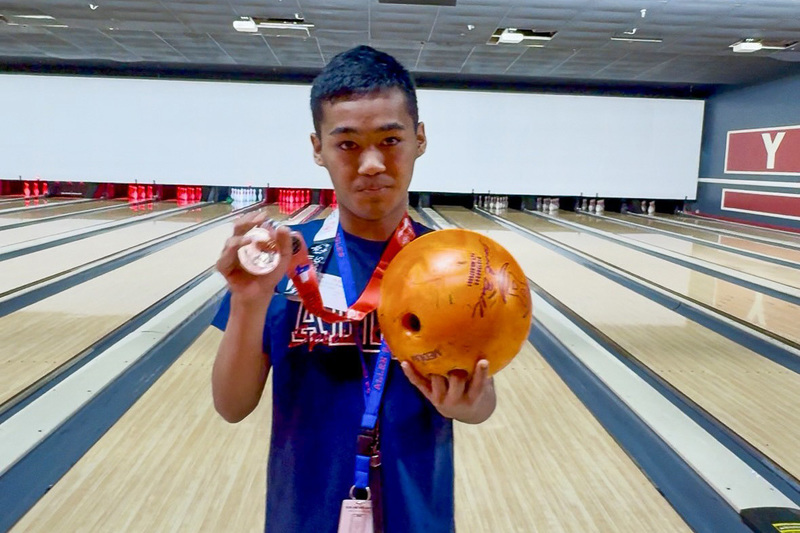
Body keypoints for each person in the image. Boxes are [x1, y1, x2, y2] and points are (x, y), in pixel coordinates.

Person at [211, 45, 496, 533]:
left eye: (390, 139)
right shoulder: (281, 264)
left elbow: (481, 400)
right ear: (317, 147)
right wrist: (247, 301)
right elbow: (232, 406)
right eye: (347, 144)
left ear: (419, 139)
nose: (370, 163)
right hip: (301, 517)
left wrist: (468, 406)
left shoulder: (458, 270)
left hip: (417, 517)